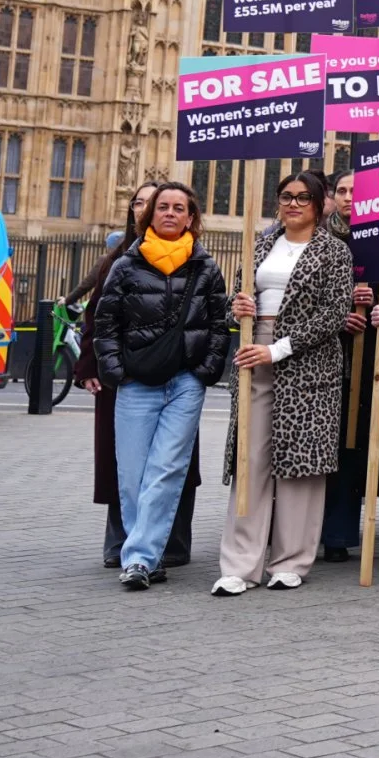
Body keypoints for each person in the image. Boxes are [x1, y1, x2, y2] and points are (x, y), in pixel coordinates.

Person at [216, 170, 359, 595]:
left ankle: (292, 559)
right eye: (285, 196)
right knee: (250, 461)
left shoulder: (334, 251)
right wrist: (237, 306)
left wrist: (278, 349)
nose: (293, 203)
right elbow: (235, 305)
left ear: (318, 204)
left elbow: (334, 314)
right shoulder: (259, 243)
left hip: (308, 363)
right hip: (254, 351)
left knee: (300, 466)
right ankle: (240, 565)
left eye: (302, 197)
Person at [90, 182, 232, 589]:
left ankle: (139, 559)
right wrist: (117, 371)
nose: (170, 213)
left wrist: (205, 370)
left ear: (191, 218)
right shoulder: (126, 265)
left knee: (166, 470)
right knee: (133, 475)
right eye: (163, 207)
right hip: (137, 383)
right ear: (150, 215)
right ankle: (145, 556)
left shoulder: (205, 267)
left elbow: (218, 325)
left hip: (185, 383)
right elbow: (105, 323)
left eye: (179, 208)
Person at [79, 180, 200, 570]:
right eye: (145, 203)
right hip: (128, 378)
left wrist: (202, 371)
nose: (159, 211)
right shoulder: (118, 260)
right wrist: (102, 368)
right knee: (126, 468)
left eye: (171, 205)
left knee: (171, 465)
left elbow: (211, 321)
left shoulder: (198, 261)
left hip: (178, 377)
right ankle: (127, 546)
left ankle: (171, 544)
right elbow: (98, 317)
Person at [318, 167, 379, 564]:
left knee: (351, 448)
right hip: (321, 360)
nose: (347, 197)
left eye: (355, 191)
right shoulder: (318, 238)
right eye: (341, 190)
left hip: (364, 362)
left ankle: (339, 533)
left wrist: (376, 305)